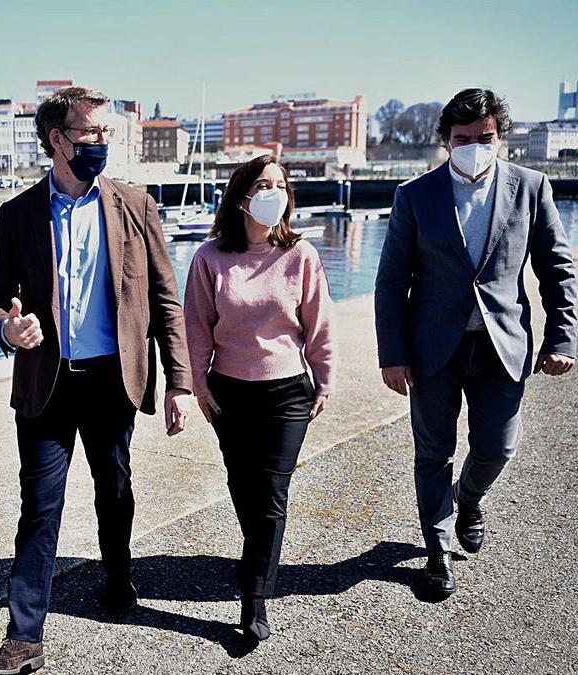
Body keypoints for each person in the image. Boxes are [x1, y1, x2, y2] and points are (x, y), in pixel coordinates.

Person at [0, 86, 192, 674]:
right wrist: (7, 331)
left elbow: (165, 300)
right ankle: (24, 636)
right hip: (46, 386)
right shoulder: (18, 214)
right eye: (91, 133)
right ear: (57, 140)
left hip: (112, 381)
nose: (102, 143)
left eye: (106, 133)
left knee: (114, 489)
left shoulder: (135, 205)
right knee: (39, 507)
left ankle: (118, 579)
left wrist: (179, 382)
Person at [374, 88, 578, 597]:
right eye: (462, 138)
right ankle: (438, 549)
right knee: (433, 451)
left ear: (500, 137)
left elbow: (557, 268)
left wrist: (562, 337)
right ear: (446, 141)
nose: (474, 146)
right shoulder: (415, 195)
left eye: (484, 137)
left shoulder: (531, 187)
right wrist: (392, 354)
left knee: (497, 447)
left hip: (500, 346)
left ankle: (469, 500)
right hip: (432, 350)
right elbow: (391, 279)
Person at [183, 153, 334, 641]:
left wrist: (325, 377)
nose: (276, 193)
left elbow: (319, 323)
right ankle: (256, 564)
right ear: (242, 196)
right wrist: (198, 384)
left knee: (270, 495)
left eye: (282, 185)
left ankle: (255, 599)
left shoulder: (301, 255)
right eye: (265, 184)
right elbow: (196, 327)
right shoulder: (209, 258)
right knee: (243, 488)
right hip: (229, 390)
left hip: (287, 391)